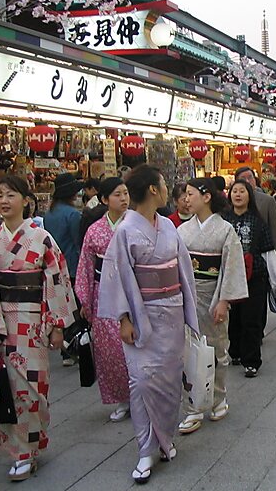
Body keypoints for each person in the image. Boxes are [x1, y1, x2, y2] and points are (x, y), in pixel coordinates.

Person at [97, 165, 199, 485]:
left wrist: (190, 313)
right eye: (164, 184)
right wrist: (123, 318)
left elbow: (183, 271)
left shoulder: (167, 225)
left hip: (171, 314)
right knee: (140, 383)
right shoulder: (126, 230)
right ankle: (144, 450)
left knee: (169, 382)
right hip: (142, 318)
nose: (169, 189)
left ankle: (165, 440)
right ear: (153, 190)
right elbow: (117, 278)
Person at [0, 176, 76, 481]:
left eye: (10, 195)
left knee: (33, 389)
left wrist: (57, 325)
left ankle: (30, 446)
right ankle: (20, 451)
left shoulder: (41, 238)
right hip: (4, 322)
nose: (4, 201)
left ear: (25, 200)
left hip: (33, 322)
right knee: (6, 389)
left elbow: (57, 280)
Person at [177, 178, 247, 435]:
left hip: (213, 294)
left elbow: (231, 268)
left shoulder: (225, 230)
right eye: (185, 194)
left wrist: (224, 300)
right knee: (188, 352)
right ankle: (193, 406)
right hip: (188, 295)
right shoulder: (182, 230)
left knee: (217, 349)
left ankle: (218, 398)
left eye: (191, 194)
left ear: (206, 197)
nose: (186, 199)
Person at [75, 178, 131, 423]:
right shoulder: (95, 230)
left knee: (134, 346)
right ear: (105, 199)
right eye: (117, 194)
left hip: (131, 290)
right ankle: (121, 399)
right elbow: (86, 265)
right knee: (110, 349)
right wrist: (85, 300)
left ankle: (140, 396)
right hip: (103, 293)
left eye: (126, 193)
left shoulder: (135, 224)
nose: (124, 198)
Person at [223, 180, 276, 377]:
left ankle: (251, 361)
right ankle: (235, 352)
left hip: (255, 277)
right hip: (230, 277)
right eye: (235, 191)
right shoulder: (223, 221)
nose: (238, 195)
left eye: (242, 191)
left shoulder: (258, 222)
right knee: (233, 318)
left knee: (252, 319)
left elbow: (268, 252)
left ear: (249, 195)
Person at [44, 173, 84, 367]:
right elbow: (78, 242)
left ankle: (65, 350)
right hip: (72, 265)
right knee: (73, 308)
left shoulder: (49, 213)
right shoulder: (73, 214)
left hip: (52, 266)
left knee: (59, 304)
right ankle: (72, 345)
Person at [235, 167, 276, 255]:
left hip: (262, 250)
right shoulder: (232, 201)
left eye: (250, 177)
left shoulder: (268, 201)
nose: (247, 181)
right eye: (243, 179)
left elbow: (274, 229)